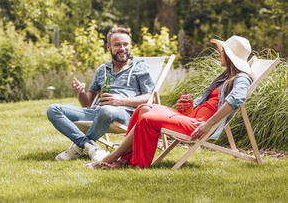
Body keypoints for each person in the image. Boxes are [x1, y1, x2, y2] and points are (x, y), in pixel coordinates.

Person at [85, 35, 253, 169]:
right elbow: (210, 103)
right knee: (143, 108)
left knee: (147, 119)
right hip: (191, 116)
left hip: (199, 125)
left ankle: (112, 158)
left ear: (230, 56)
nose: (219, 53)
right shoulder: (226, 76)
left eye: (222, 51)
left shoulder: (241, 78)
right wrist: (190, 106)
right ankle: (125, 159)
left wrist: (209, 124)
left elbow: (236, 99)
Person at [47, 27, 155, 161]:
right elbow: (87, 103)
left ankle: (79, 148)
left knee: (106, 110)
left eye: (126, 44)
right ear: (109, 47)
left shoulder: (140, 67)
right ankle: (88, 146)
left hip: (126, 113)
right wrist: (81, 92)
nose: (122, 48)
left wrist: (120, 101)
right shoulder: (102, 69)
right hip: (97, 111)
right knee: (53, 109)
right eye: (117, 45)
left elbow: (149, 97)